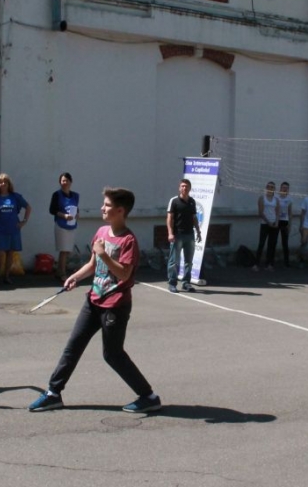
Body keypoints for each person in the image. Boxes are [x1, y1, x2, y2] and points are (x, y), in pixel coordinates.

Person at [28, 187, 161, 413]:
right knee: (73, 346)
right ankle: (53, 393)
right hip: (93, 300)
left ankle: (148, 397)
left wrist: (103, 254)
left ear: (120, 211)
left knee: (113, 355)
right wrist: (75, 277)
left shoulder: (129, 240)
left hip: (115, 306)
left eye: (107, 205)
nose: (102, 208)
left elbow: (124, 274)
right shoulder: (101, 232)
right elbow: (92, 265)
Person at [0, 173, 30, 285]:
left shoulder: (15, 197)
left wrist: (24, 221)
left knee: (10, 253)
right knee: (0, 253)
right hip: (0, 229)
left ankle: (6, 275)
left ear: (8, 184)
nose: (3, 184)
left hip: (13, 228)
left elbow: (28, 207)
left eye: (5, 182)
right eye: (0, 182)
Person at [166, 178, 201, 293]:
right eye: (182, 186)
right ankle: (172, 283)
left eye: (186, 186)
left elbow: (194, 218)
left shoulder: (192, 201)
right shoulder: (174, 201)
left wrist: (198, 232)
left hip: (189, 235)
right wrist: (170, 233)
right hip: (177, 235)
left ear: (190, 188)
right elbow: (169, 218)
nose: (184, 188)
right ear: (179, 188)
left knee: (189, 261)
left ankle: (186, 283)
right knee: (174, 261)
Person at [49, 172, 79, 281]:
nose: (64, 183)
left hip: (72, 225)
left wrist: (77, 214)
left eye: (66, 180)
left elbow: (76, 208)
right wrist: (64, 216)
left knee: (67, 251)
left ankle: (59, 271)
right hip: (61, 225)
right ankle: (62, 272)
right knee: (63, 250)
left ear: (70, 182)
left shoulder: (75, 195)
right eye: (62, 181)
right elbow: (52, 210)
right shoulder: (56, 195)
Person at [252, 181, 279, 272]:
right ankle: (256, 264)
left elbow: (277, 212)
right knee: (261, 244)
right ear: (266, 188)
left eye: (272, 187)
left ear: (274, 189)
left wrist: (276, 222)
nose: (270, 189)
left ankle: (269, 264)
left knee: (272, 245)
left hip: (274, 225)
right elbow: (260, 212)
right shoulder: (262, 198)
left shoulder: (276, 200)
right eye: (269, 187)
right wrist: (268, 222)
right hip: (265, 224)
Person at [276, 182, 293, 267]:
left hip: (285, 221)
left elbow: (290, 213)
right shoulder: (276, 198)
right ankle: (270, 261)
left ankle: (286, 262)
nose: (285, 189)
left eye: (286, 188)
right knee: (273, 241)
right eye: (283, 187)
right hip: (277, 221)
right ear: (280, 188)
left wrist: (289, 224)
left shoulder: (289, 199)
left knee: (285, 243)